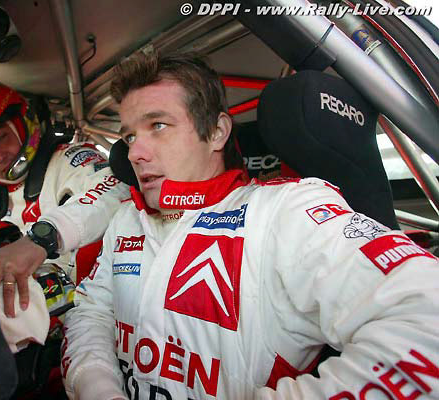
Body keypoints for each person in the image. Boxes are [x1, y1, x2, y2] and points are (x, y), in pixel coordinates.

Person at [61, 52, 439, 400]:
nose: (135, 153)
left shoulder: (284, 211)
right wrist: (97, 385)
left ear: (216, 132)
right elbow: (91, 312)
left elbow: (428, 319)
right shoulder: (128, 219)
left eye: (158, 125)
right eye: (129, 136)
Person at [0, 78, 129, 317]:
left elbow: (115, 191)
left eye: (1, 137)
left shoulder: (70, 160)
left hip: (93, 315)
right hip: (37, 320)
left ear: (21, 125)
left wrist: (41, 239)